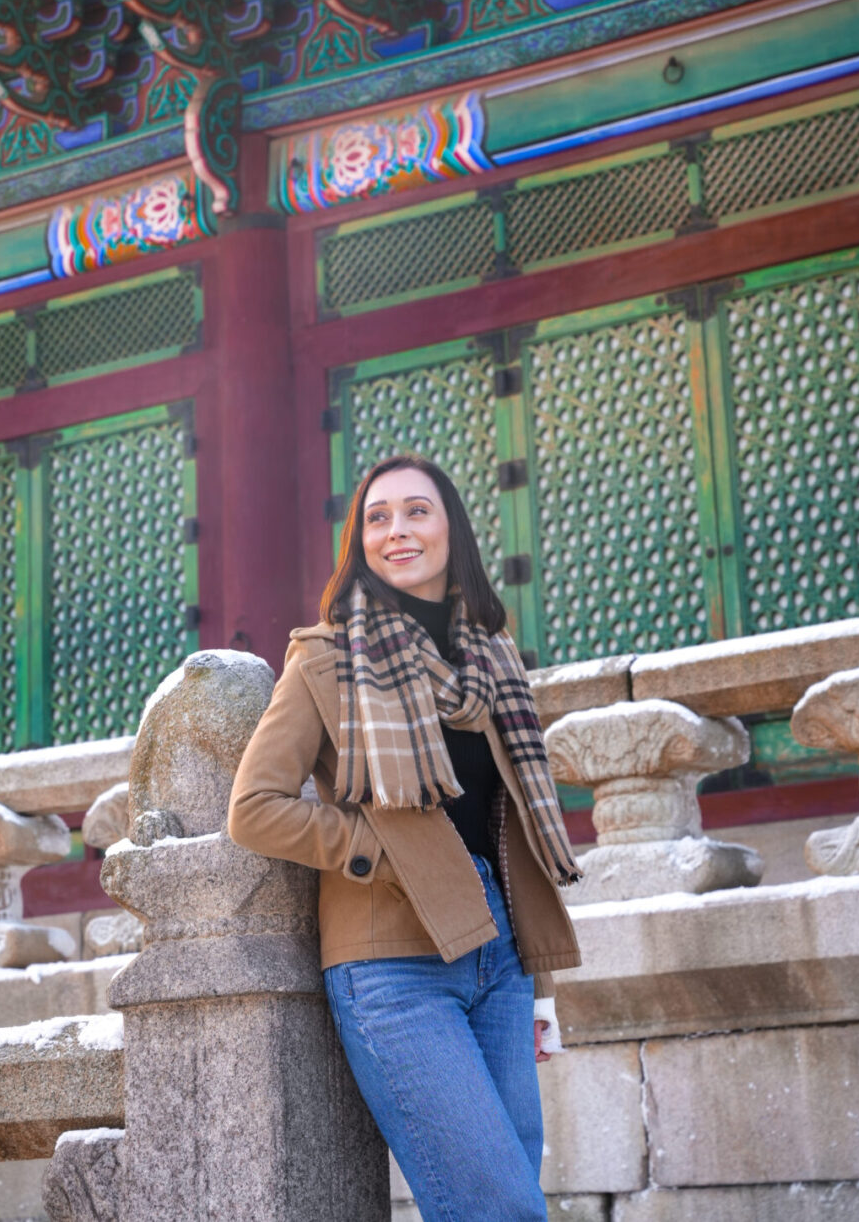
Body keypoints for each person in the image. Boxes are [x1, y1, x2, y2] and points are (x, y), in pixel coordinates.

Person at [228, 452, 582, 1222]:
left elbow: (510, 825)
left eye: (417, 511)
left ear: (451, 528)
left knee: (516, 1198)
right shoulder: (324, 658)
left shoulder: (490, 662)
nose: (398, 531)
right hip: (394, 964)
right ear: (360, 542)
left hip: (501, 955)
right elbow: (253, 807)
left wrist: (540, 989)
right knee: (499, 1210)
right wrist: (375, 852)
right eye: (378, 518)